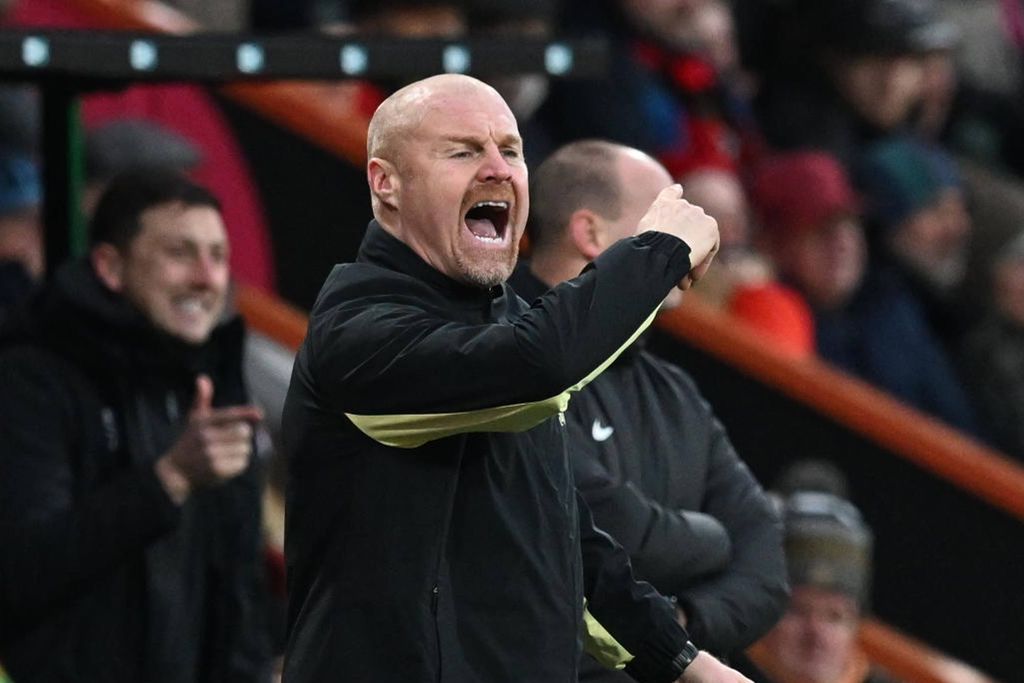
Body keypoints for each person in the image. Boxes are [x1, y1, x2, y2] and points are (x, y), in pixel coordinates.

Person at [282, 74, 750, 682]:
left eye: (512, 149)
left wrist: (685, 664)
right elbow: (539, 368)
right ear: (385, 183)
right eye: (463, 151)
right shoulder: (358, 332)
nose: (498, 169)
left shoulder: (508, 325)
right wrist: (655, 250)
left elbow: (562, 546)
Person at [509, 139, 788, 681]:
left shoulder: (675, 392)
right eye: (668, 218)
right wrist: (714, 538)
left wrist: (678, 627)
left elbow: (766, 563)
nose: (698, 242)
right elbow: (610, 533)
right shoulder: (506, 354)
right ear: (590, 234)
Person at [0, 169, 271, 681]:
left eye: (217, 256)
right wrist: (167, 480)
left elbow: (237, 590)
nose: (206, 278)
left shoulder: (216, 381)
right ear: (110, 266)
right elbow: (21, 574)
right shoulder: (32, 382)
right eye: (180, 253)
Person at [748, 150, 980, 433]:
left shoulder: (891, 308)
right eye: (821, 229)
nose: (842, 242)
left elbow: (959, 425)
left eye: (849, 224)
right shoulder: (770, 315)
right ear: (777, 244)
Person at [736, 489, 896, 683]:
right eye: (798, 611)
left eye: (835, 617)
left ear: (857, 626)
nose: (816, 635)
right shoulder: (710, 671)